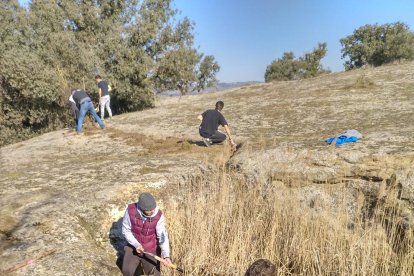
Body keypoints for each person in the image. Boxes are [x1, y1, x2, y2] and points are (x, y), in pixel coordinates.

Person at [121, 192, 172, 276]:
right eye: (148, 210)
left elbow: (163, 237)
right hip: (133, 245)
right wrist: (136, 244)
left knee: (154, 274)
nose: (152, 211)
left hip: (150, 248)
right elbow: (125, 231)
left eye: (153, 209)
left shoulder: (158, 215)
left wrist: (166, 255)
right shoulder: (130, 211)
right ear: (141, 208)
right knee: (127, 271)